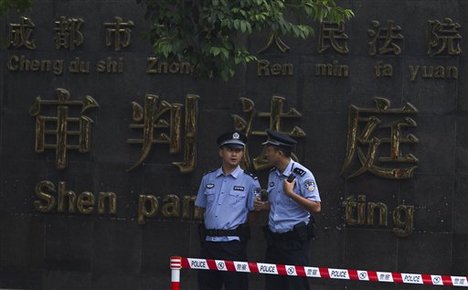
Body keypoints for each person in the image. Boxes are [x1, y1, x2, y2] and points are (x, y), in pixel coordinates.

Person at [254, 129, 321, 290]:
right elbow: (279, 203)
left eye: (269, 150)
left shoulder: (302, 175)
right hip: (274, 241)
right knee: (273, 285)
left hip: (294, 242)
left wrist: (291, 193)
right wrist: (265, 206)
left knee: (296, 285)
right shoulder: (273, 174)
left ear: (280, 152)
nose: (266, 154)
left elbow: (316, 206)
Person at [195, 130, 261, 290]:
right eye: (230, 149)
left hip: (233, 245)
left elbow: (254, 212)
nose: (234, 154)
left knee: (236, 286)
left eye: (238, 151)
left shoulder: (250, 181)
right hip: (209, 243)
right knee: (207, 285)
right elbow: (200, 208)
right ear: (221, 152)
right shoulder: (208, 178)